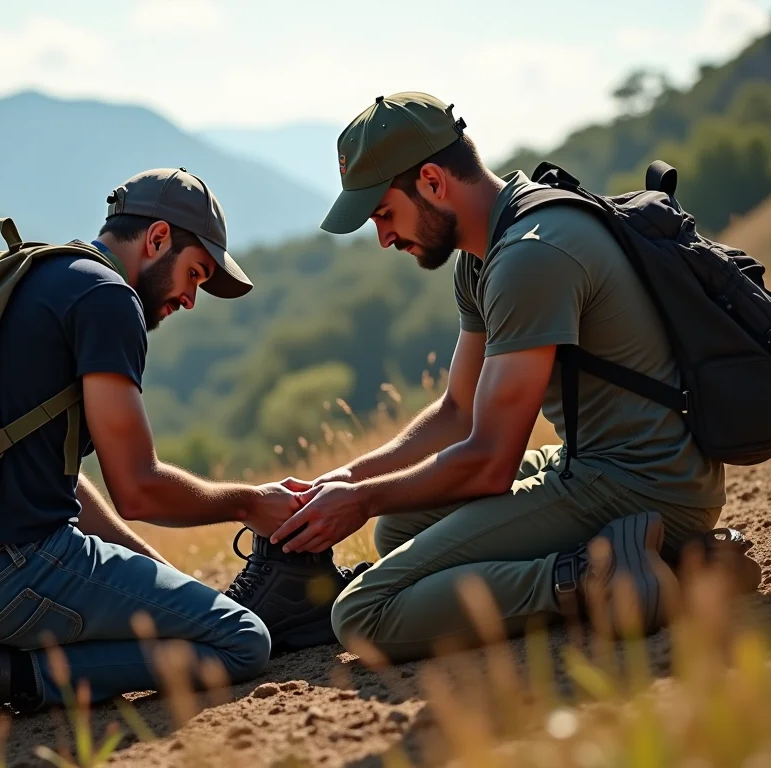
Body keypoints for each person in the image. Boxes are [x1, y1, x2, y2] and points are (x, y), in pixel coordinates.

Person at [269, 92, 726, 664]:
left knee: (362, 613)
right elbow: (458, 411)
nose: (383, 238)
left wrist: (357, 501)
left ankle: (596, 574)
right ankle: (678, 561)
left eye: (384, 213)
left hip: (643, 483)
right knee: (398, 528)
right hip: (597, 463)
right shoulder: (488, 251)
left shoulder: (530, 258)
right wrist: (344, 479)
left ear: (433, 182)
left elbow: (489, 463)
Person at [0, 168, 300, 745]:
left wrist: (167, 582)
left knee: (181, 619)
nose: (190, 298)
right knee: (240, 640)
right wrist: (250, 503)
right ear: (157, 240)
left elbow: (58, 475)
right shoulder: (108, 299)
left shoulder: (39, 274)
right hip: (9, 573)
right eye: (194, 274)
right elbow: (137, 488)